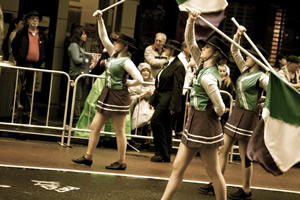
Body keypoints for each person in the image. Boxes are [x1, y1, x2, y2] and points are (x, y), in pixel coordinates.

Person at [161, 10, 228, 200]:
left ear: (215, 53)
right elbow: (190, 42)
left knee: (213, 171)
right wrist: (190, 21)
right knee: (178, 167)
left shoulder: (209, 77)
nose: (202, 48)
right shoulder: (202, 64)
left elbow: (221, 108)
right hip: (195, 121)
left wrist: (207, 114)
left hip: (204, 123)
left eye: (207, 47)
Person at [199, 25, 270, 200]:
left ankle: (246, 189)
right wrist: (238, 35)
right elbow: (234, 50)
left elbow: (273, 93)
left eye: (250, 55)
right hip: (236, 114)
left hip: (247, 116)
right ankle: (217, 182)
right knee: (223, 149)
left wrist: (263, 105)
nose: (246, 56)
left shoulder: (262, 77)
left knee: (245, 156)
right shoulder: (245, 70)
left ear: (258, 60)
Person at [71, 9, 143, 170]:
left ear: (124, 46)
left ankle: (122, 161)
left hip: (118, 97)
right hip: (107, 94)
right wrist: (100, 19)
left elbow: (140, 79)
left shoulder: (126, 62)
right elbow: (103, 37)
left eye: (117, 42)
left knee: (119, 132)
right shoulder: (114, 54)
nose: (114, 43)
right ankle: (88, 156)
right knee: (95, 126)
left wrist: (127, 84)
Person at [149, 39, 185, 163]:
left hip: (168, 100)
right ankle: (164, 154)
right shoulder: (168, 63)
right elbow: (159, 82)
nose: (164, 49)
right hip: (161, 98)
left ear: (172, 50)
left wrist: (173, 107)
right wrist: (153, 99)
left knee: (156, 122)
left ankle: (162, 153)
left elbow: (177, 88)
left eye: (167, 48)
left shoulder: (178, 66)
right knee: (165, 126)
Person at [11, 10, 46, 123]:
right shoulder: (22, 32)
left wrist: (42, 60)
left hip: (34, 65)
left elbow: (45, 49)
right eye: (32, 18)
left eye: (37, 19)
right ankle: (15, 110)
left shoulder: (41, 35)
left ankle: (27, 113)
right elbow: (14, 44)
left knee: (30, 90)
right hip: (23, 64)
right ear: (28, 20)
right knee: (18, 87)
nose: (35, 20)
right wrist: (17, 57)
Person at [172, 40, 196, 138]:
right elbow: (180, 69)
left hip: (187, 88)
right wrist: (189, 65)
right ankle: (172, 128)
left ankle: (179, 129)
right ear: (184, 48)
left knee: (183, 110)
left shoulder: (192, 58)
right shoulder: (179, 58)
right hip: (179, 87)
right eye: (190, 47)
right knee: (175, 109)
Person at [129, 62, 155, 150]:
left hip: (151, 105)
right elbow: (131, 98)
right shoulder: (135, 83)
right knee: (142, 109)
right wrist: (143, 95)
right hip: (137, 105)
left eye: (148, 70)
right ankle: (136, 137)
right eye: (143, 70)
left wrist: (152, 97)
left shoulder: (154, 83)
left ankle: (146, 140)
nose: (146, 72)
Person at [67, 25, 87, 124]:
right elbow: (76, 60)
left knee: (78, 97)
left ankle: (75, 118)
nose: (85, 36)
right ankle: (75, 119)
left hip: (80, 74)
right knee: (77, 97)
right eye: (83, 34)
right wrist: (88, 60)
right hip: (75, 74)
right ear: (78, 35)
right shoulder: (74, 45)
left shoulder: (80, 46)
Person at [218, 64, 235, 128]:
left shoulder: (229, 82)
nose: (222, 73)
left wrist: (228, 106)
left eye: (223, 71)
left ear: (226, 72)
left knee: (223, 120)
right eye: (220, 71)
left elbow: (231, 94)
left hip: (225, 103)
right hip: (217, 102)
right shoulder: (216, 80)